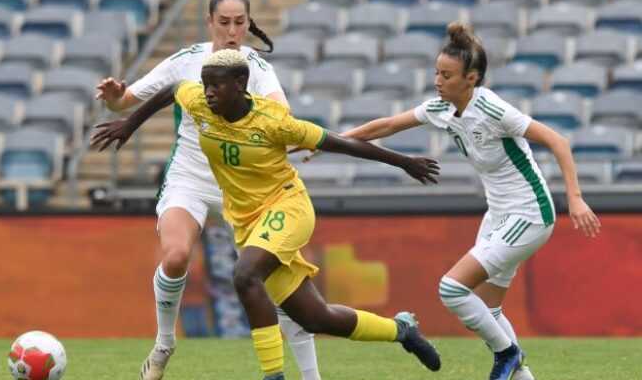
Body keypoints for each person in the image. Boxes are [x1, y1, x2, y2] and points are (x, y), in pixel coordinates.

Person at [94, 49, 442, 379]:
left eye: (216, 85)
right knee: (316, 317)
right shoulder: (197, 101)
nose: (208, 92)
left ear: (241, 84)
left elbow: (341, 142)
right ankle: (402, 331)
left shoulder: (274, 122)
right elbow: (173, 89)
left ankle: (273, 374)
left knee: (245, 275)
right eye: (205, 83)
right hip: (247, 222)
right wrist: (130, 123)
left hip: (286, 207)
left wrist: (404, 162)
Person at [327, 22, 601, 380]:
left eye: (446, 75)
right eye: (436, 73)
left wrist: (575, 199)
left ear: (471, 78)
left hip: (531, 213)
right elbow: (388, 126)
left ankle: (509, 354)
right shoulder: (441, 108)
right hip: (499, 215)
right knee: (490, 311)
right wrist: (326, 141)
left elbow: (558, 141)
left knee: (452, 288)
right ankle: (519, 371)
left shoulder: (491, 107)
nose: (437, 81)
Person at [93, 0, 321, 379]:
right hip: (189, 179)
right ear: (210, 23)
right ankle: (164, 344)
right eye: (224, 22)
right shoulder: (186, 61)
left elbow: (282, 114)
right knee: (177, 256)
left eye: (239, 23)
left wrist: (294, 133)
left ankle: (311, 375)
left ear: (249, 24)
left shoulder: (257, 71)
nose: (232, 31)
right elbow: (128, 100)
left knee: (283, 286)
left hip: (245, 190)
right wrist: (116, 99)